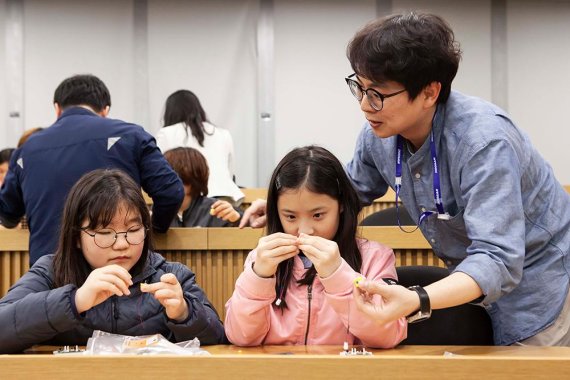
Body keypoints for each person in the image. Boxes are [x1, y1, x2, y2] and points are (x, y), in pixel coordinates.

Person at [240, 13, 570, 346]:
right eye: (360, 87)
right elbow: (350, 189)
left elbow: (497, 258)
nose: (365, 106)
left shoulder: (483, 142)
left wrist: (418, 299)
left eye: (378, 94)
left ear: (429, 92)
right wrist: (286, 210)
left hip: (542, 282)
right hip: (473, 285)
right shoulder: (378, 135)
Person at [0, 169, 225, 354]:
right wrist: (75, 300)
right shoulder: (51, 272)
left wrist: (184, 312)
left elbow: (219, 339)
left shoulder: (170, 276)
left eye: (133, 229)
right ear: (76, 236)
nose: (121, 244)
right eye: (105, 232)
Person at [225, 145, 406, 347]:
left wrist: (337, 274)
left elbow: (387, 336)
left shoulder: (375, 257)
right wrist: (259, 276)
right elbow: (240, 336)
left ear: (342, 205)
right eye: (290, 216)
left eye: (318, 215)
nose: (305, 230)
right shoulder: (261, 259)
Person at [0, 74, 184, 265]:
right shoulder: (131, 136)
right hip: (118, 267)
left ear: (57, 108)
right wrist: (153, 229)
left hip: (50, 271)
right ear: (105, 109)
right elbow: (171, 192)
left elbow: (7, 213)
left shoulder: (26, 149)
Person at [155, 89, 244, 206]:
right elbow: (230, 171)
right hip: (224, 198)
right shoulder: (223, 133)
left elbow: (159, 171)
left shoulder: (166, 133)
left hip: (187, 200)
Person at [163, 147, 241, 227]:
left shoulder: (216, 209)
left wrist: (236, 220)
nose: (171, 185)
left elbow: (246, 227)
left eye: (182, 180)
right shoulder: (158, 212)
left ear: (194, 180)